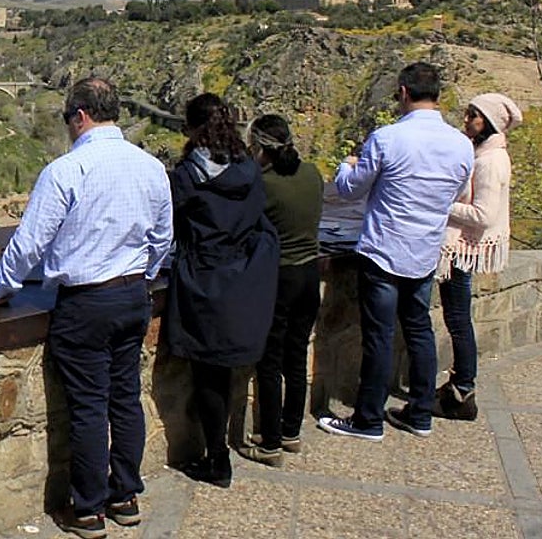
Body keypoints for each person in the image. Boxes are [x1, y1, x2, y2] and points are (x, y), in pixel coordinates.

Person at [0, 77, 173, 539]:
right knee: (124, 396)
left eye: (69, 119)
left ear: (80, 116)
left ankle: (89, 510)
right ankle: (126, 495)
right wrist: (143, 276)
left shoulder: (66, 171)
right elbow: (163, 238)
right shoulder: (150, 167)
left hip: (86, 302)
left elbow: (29, 244)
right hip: (132, 296)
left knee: (88, 406)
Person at [319, 62, 473, 441]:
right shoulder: (461, 144)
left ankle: (368, 419)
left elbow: (351, 189)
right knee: (419, 330)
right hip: (425, 249)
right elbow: (455, 194)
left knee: (379, 336)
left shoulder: (387, 138)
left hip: (384, 247)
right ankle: (420, 413)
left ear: (404, 92)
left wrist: (346, 166)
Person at [166, 93, 279, 489]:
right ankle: (221, 450)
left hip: (205, 279)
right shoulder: (249, 169)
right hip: (245, 280)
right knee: (226, 372)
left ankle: (217, 457)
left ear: (194, 129)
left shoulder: (187, 176)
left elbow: (170, 226)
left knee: (208, 374)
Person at [240, 114, 324, 466]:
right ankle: (291, 431)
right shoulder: (313, 174)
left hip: (279, 277)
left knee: (270, 361)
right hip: (310, 273)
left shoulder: (263, 184)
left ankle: (270, 441)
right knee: (296, 356)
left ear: (258, 146)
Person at [435, 93, 522, 421]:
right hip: (464, 247)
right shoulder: (487, 155)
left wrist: (441, 204)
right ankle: (461, 386)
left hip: (463, 248)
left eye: (473, 115)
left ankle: (462, 389)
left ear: (487, 122)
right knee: (458, 319)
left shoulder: (489, 162)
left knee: (458, 321)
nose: (466, 120)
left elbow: (483, 215)